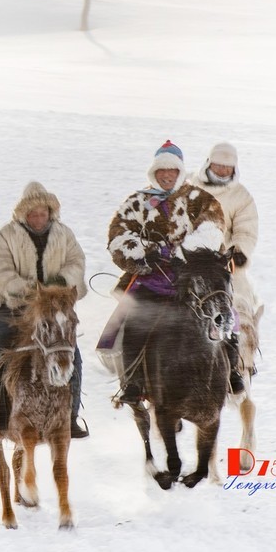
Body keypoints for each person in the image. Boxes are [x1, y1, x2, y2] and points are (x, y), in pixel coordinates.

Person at [99, 140, 239, 403]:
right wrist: (147, 251)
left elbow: (212, 229)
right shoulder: (136, 203)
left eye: (172, 170)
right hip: (152, 280)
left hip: (193, 280)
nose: (166, 175)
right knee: (135, 324)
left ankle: (232, 371)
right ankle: (133, 382)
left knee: (222, 313)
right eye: (161, 170)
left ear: (180, 172)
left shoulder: (199, 199)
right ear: (153, 172)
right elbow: (118, 237)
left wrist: (180, 254)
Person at [0, 181, 89, 442]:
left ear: (50, 212)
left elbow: (76, 262)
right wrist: (25, 289)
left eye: (43, 213)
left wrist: (61, 282)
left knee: (72, 354)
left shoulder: (65, 235)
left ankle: (70, 417)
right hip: (16, 306)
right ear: (23, 214)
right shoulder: (5, 236)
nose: (39, 218)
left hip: (52, 308)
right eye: (33, 214)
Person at [190, 142, 259, 307]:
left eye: (227, 167)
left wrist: (239, 251)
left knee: (239, 296)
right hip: (187, 252)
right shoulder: (190, 184)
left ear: (234, 168)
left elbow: (246, 231)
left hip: (223, 258)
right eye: (218, 165)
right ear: (209, 163)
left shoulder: (242, 196)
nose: (222, 170)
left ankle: (242, 328)